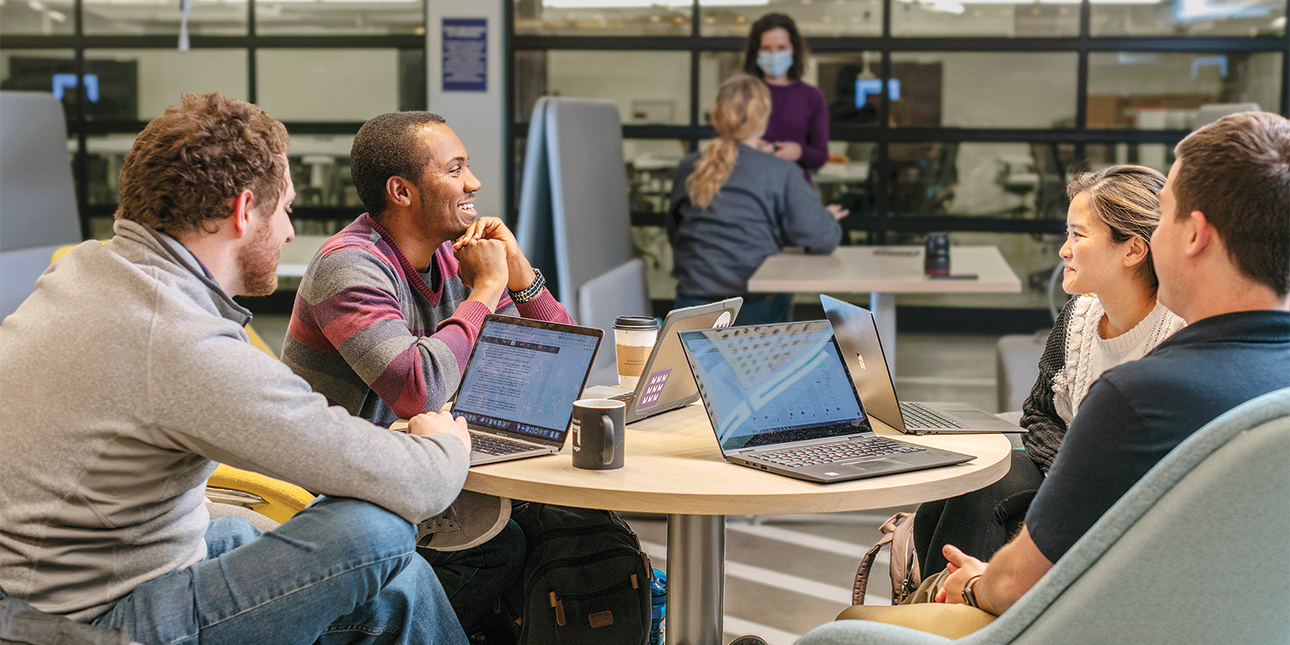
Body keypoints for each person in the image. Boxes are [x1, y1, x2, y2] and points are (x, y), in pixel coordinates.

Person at [0, 92, 473, 644]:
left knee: (396, 581)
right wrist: (443, 443)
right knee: (377, 530)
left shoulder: (83, 271)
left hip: (83, 572)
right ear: (245, 211)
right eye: (287, 210)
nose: (292, 233)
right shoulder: (180, 340)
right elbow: (418, 484)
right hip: (90, 623)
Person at [835, 111, 1290, 637]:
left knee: (847, 628)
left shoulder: (1141, 397)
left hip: (1094, 623)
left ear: (1194, 235)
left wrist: (974, 585)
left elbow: (1014, 589)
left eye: (1163, 216)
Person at [281, 110, 575, 638]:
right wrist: (486, 289)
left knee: (571, 529)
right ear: (402, 191)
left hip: (413, 471)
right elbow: (418, 389)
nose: (474, 183)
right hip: (339, 493)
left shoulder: (450, 257)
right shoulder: (349, 266)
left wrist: (521, 274)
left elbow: (557, 360)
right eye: (455, 169)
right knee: (497, 549)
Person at [912, 165, 1186, 575]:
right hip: (1071, 470)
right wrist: (1068, 472)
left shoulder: (1177, 336)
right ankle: (933, 620)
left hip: (1128, 493)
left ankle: (954, 627)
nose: (1064, 250)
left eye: (1078, 235)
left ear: (1132, 250)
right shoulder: (1078, 316)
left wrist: (1074, 478)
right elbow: (1039, 414)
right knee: (946, 494)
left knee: (983, 499)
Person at [668, 73, 847, 325]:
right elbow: (821, 238)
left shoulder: (688, 166)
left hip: (689, 306)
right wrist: (827, 218)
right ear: (763, 120)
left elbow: (676, 232)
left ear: (717, 116)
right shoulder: (781, 171)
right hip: (753, 310)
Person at [742, 13, 829, 184]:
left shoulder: (812, 96)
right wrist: (751, 149)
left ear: (793, 50)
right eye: (766, 48)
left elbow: (820, 156)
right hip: (751, 190)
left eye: (781, 48)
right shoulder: (742, 93)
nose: (774, 54)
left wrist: (799, 152)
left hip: (795, 193)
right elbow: (723, 147)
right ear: (756, 52)